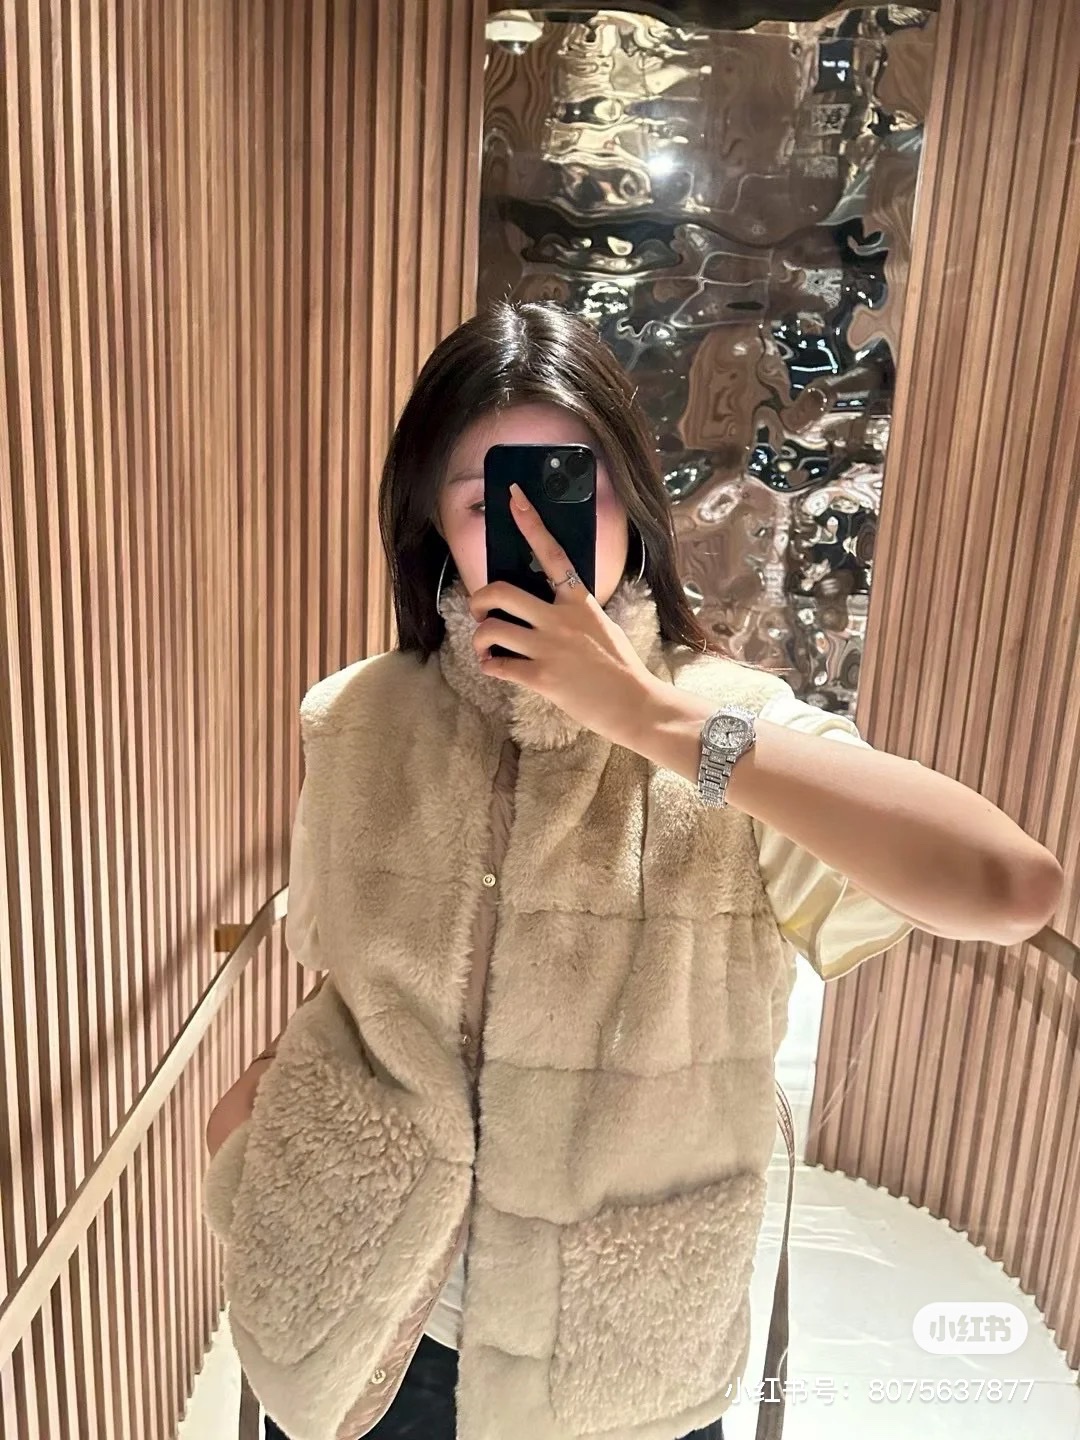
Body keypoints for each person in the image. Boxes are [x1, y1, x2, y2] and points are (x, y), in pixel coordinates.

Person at [203, 302, 1064, 1440]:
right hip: (360, 1332)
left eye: (567, 484)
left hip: (612, 1371)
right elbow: (341, 987)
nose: (536, 529)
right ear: (433, 522)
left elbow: (1009, 887)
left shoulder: (737, 733)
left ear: (631, 499)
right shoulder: (356, 717)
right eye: (487, 499)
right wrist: (252, 1131)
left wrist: (650, 719)